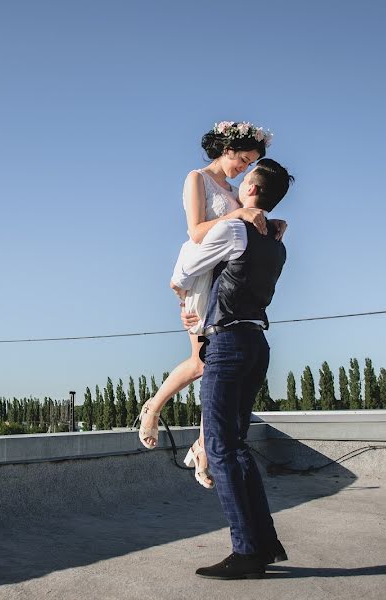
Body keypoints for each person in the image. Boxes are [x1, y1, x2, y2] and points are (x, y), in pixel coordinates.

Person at [136, 121, 286, 491]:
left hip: (221, 282)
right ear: (227, 149)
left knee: (212, 365)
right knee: (204, 362)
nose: (244, 167)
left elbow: (236, 237)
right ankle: (154, 408)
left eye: (250, 164)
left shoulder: (236, 192)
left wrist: (267, 219)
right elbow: (197, 232)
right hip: (200, 277)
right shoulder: (197, 178)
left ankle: (202, 449)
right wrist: (239, 214)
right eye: (244, 159)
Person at [170, 158, 294, 580]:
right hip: (257, 341)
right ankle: (264, 543)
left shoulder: (235, 228)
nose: (237, 186)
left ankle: (246, 551)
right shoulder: (278, 242)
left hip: (226, 343)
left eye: (245, 183)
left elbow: (185, 270)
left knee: (221, 449)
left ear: (254, 193)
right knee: (236, 447)